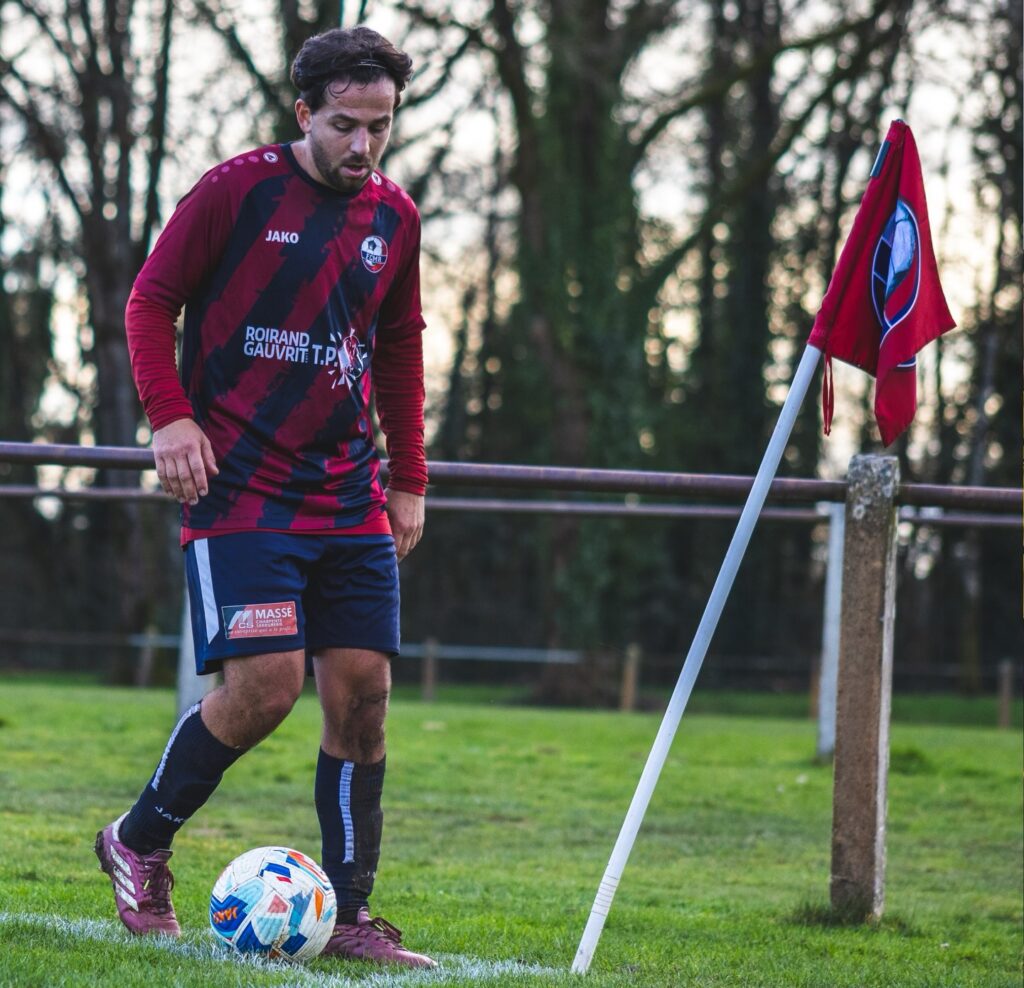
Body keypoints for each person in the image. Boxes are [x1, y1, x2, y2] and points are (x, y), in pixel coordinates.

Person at [94, 26, 434, 969]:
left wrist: (408, 476)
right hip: (239, 486)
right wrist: (169, 419)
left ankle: (354, 915)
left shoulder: (395, 217)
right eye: (343, 124)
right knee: (267, 686)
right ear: (303, 114)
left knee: (364, 698)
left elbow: (400, 347)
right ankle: (139, 840)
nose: (361, 146)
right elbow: (149, 300)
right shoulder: (234, 190)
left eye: (379, 126)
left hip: (347, 493)